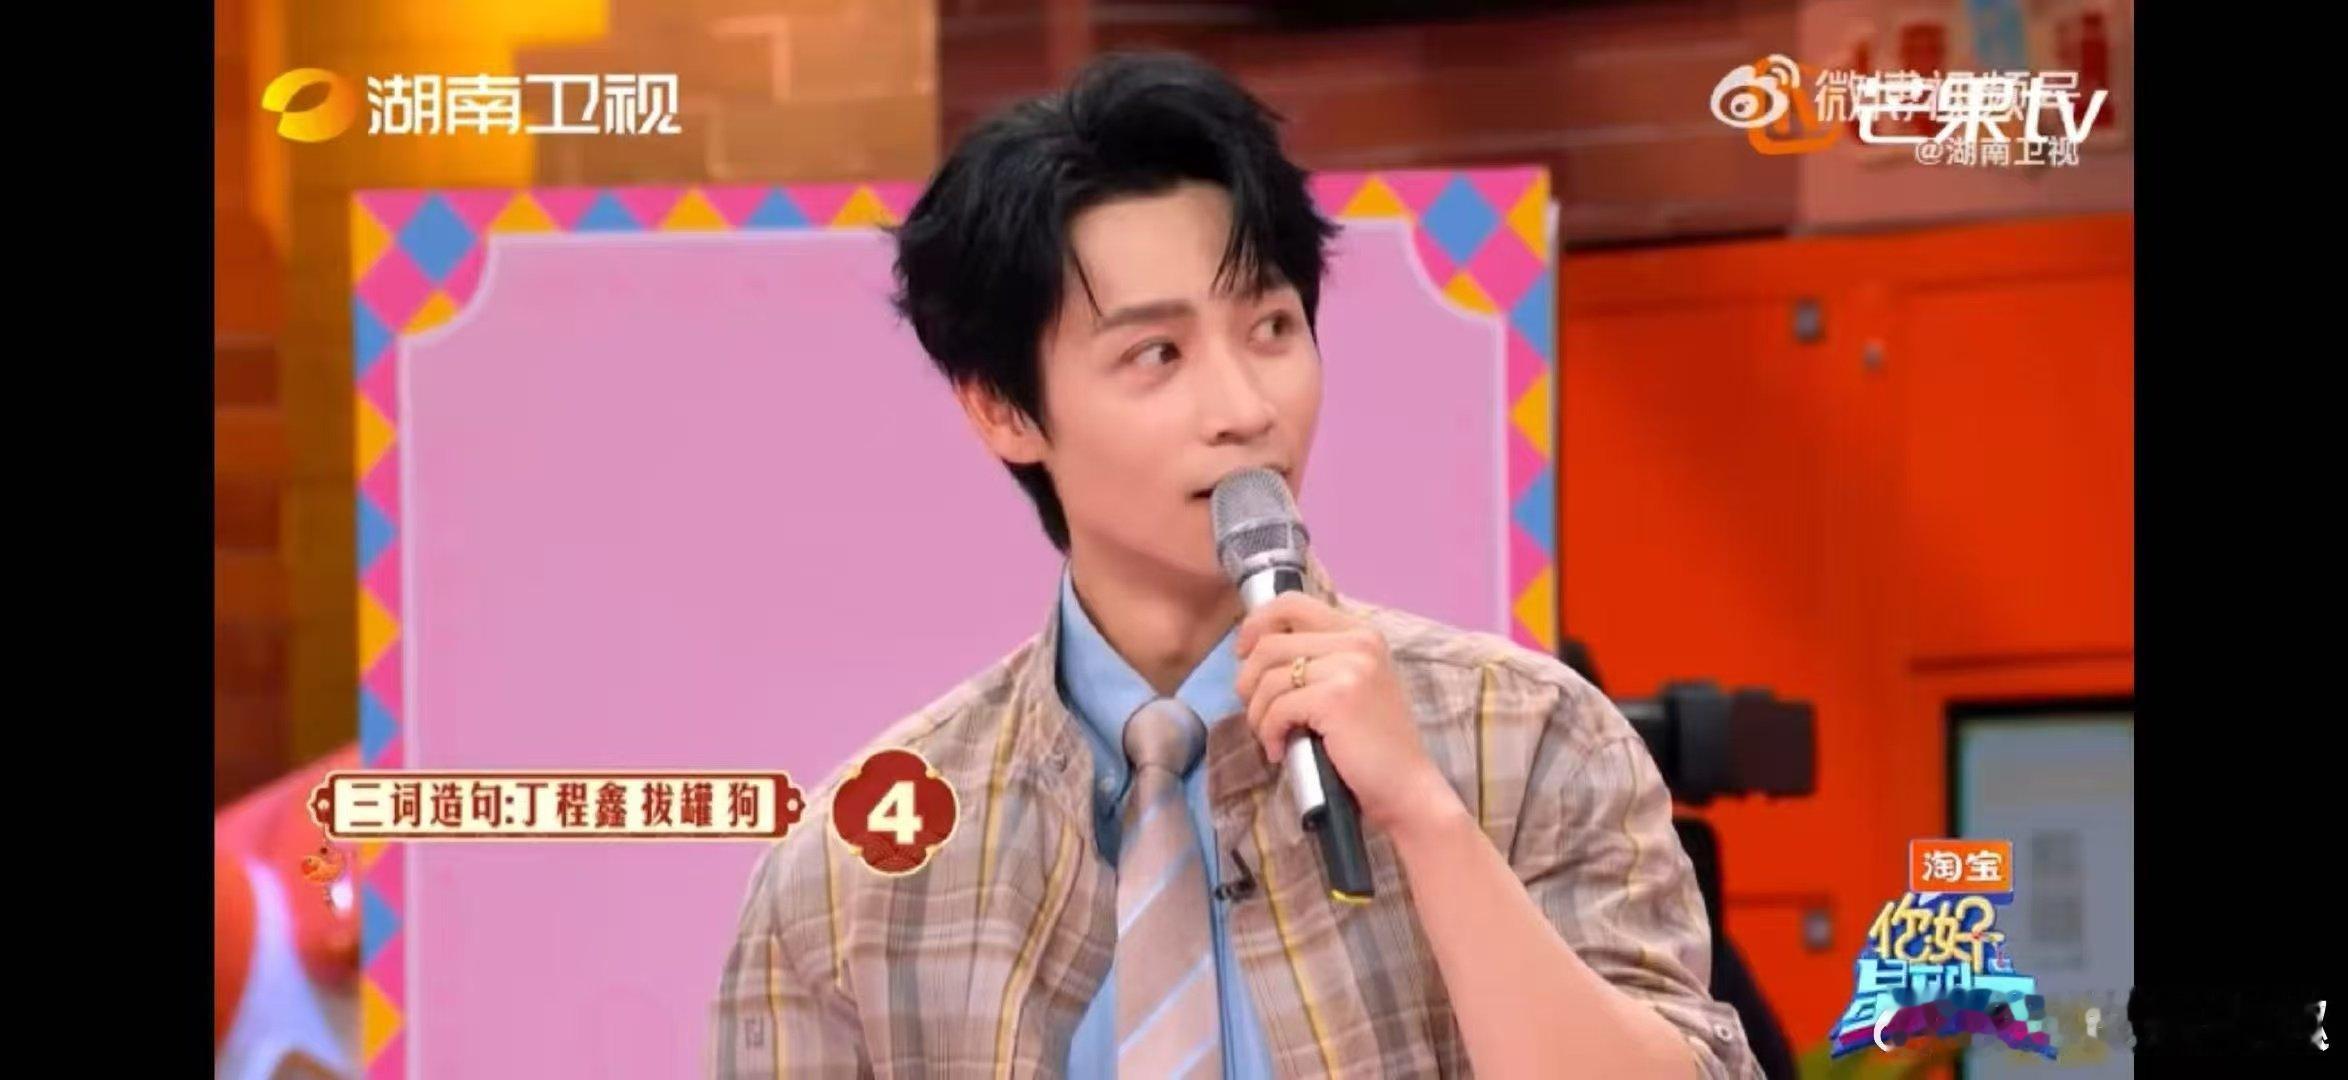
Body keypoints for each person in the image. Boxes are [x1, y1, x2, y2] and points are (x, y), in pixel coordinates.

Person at [712, 50, 1758, 1079]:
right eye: (1156, 354)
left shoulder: (1527, 739)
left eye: (1270, 327)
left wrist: (1425, 817)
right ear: (1002, 409)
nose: (1246, 409)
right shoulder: (858, 873)